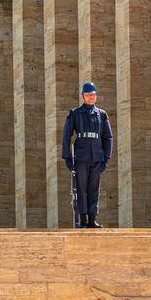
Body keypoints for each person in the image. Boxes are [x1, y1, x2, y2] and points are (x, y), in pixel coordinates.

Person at [61, 80, 112, 228]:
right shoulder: (75, 114)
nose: (91, 97)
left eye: (93, 95)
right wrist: (67, 157)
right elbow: (66, 136)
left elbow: (108, 137)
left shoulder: (101, 115)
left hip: (97, 156)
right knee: (81, 188)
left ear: (96, 96)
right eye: (88, 95)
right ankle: (82, 219)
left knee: (94, 188)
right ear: (83, 96)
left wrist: (106, 158)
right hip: (81, 156)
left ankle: (92, 219)